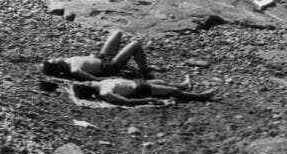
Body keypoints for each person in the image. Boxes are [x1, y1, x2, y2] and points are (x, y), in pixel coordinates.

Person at [42, 29, 152, 80]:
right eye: (54, 60)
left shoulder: (67, 60)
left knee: (117, 32)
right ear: (58, 66)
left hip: (101, 56)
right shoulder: (74, 69)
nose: (55, 57)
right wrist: (110, 78)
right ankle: (145, 72)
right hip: (110, 66)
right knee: (135, 44)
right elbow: (94, 79)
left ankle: (137, 66)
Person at [73, 76, 216, 106]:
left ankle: (182, 85)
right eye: (83, 82)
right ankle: (201, 97)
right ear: (87, 87)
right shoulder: (105, 93)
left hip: (137, 82)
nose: (85, 80)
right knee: (172, 91)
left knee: (161, 81)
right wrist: (147, 100)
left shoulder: (100, 83)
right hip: (141, 89)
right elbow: (127, 101)